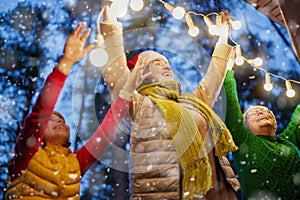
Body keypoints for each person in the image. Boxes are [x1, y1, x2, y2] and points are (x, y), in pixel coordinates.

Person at [100, 6, 240, 200]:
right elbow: (116, 74)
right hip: (169, 193)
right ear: (142, 73)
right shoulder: (140, 104)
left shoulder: (192, 103)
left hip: (214, 193)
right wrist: (111, 19)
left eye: (166, 62)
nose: (166, 65)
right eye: (157, 63)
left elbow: (214, 76)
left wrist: (223, 35)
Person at [5, 22, 151, 199]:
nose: (60, 121)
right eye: (53, 120)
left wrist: (127, 92)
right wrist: (65, 64)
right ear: (39, 133)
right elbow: (40, 112)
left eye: (63, 121)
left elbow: (105, 134)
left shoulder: (75, 163)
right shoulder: (26, 157)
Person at [224, 69, 300, 199]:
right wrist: (227, 71)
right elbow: (230, 103)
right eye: (254, 112)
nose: (261, 112)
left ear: (275, 125)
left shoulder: (288, 142)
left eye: (268, 112)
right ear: (244, 125)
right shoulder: (244, 141)